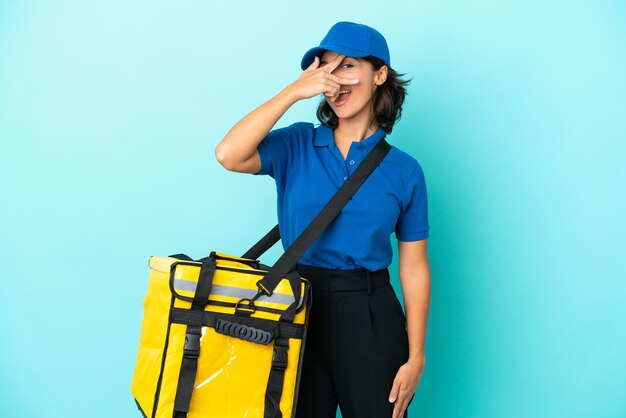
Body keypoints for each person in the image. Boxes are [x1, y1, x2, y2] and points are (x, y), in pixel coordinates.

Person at [215, 21, 430, 418]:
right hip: (295, 306)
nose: (335, 78)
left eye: (347, 66)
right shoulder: (297, 143)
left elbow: (414, 268)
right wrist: (294, 92)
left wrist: (416, 357)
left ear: (379, 74)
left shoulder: (405, 171)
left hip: (370, 314)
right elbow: (229, 154)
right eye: (326, 68)